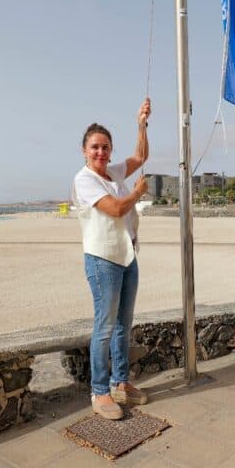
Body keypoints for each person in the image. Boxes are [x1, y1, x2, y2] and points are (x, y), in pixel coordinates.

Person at [72, 98, 151, 420]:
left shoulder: (114, 173)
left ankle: (121, 383)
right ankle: (99, 391)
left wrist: (141, 124)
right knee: (104, 327)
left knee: (123, 326)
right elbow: (117, 208)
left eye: (105, 148)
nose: (101, 153)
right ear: (84, 150)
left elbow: (140, 156)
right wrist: (136, 193)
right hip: (102, 260)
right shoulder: (85, 179)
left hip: (127, 256)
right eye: (95, 148)